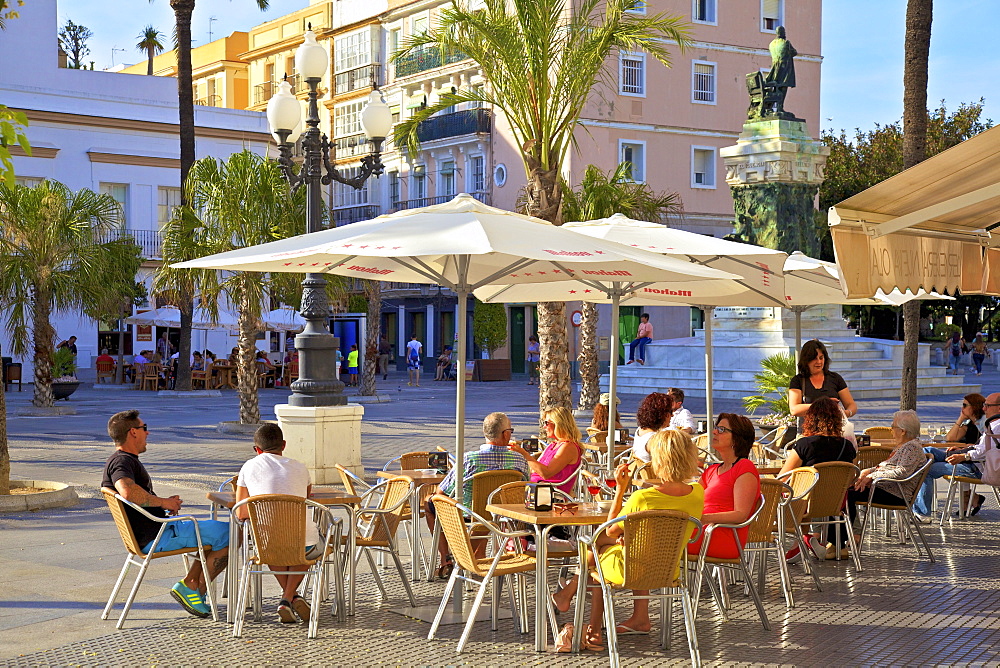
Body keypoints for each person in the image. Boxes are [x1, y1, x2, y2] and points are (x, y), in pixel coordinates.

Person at [551, 429, 704, 646]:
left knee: (597, 548)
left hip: (630, 569)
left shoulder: (644, 497)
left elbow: (610, 529)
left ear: (658, 460)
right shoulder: (698, 492)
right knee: (609, 546)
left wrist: (620, 491)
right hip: (669, 569)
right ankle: (583, 608)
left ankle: (590, 624)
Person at [101, 410, 229, 618]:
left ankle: (193, 586)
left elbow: (134, 495)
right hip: (159, 535)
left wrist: (162, 505)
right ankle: (193, 588)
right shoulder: (122, 462)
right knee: (233, 533)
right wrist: (163, 502)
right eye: (144, 428)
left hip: (157, 529)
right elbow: (126, 490)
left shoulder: (122, 460)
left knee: (217, 535)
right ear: (133, 432)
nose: (148, 433)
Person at [235, 424, 321, 624]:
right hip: (303, 542)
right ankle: (289, 597)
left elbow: (241, 511)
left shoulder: (248, 467)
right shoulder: (300, 467)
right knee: (312, 544)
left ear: (257, 450)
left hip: (268, 544)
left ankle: (288, 596)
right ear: (284, 445)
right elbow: (305, 497)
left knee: (271, 543)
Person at [427, 412, 529, 578]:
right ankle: (477, 555)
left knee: (430, 504)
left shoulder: (469, 459)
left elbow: (441, 492)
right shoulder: (519, 460)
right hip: (504, 516)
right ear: (506, 434)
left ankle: (446, 558)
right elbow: (526, 488)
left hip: (471, 515)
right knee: (487, 515)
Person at [842, 410, 928, 557]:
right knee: (846, 490)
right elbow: (889, 466)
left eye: (892, 426)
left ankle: (846, 538)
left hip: (896, 493)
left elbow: (901, 472)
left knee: (846, 495)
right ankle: (847, 536)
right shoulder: (904, 445)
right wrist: (868, 472)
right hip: (886, 487)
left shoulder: (911, 447)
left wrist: (872, 476)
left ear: (902, 431)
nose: (891, 430)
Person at [779, 398, 856, 560]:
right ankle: (799, 544)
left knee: (788, 493)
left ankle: (802, 540)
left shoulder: (805, 444)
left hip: (805, 503)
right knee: (803, 493)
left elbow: (783, 477)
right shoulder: (847, 446)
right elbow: (851, 478)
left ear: (811, 419)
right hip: (836, 504)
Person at [687, 413, 760, 560]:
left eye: (721, 429)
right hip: (702, 531)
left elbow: (741, 514)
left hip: (722, 536)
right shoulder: (712, 470)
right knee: (656, 533)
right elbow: (691, 498)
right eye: (716, 428)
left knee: (663, 540)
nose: (714, 432)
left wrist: (704, 518)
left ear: (737, 438)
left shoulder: (744, 467)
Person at [915, 392, 997, 518]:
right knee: (928, 451)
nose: (984, 408)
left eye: (987, 405)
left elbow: (984, 452)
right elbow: (979, 447)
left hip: (977, 468)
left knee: (926, 469)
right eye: (984, 405)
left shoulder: (996, 427)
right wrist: (964, 450)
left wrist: (964, 456)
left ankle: (921, 513)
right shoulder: (991, 424)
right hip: (971, 460)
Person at [509, 406, 583, 496]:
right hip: (537, 488)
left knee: (504, 490)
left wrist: (524, 454)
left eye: (546, 423)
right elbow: (535, 469)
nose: (544, 426)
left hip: (549, 493)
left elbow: (546, 473)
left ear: (558, 424)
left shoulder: (568, 447)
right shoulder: (554, 445)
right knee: (505, 482)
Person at [788, 340, 858, 429]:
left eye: (821, 358)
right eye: (814, 358)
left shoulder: (835, 378)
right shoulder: (798, 380)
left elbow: (851, 404)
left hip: (834, 433)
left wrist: (847, 413)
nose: (819, 362)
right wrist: (823, 405)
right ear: (806, 360)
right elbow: (794, 410)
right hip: (807, 434)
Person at [631, 392, 675, 462]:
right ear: (664, 415)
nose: (672, 415)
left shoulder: (640, 430)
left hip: (642, 471)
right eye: (671, 411)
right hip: (655, 472)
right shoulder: (655, 440)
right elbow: (668, 466)